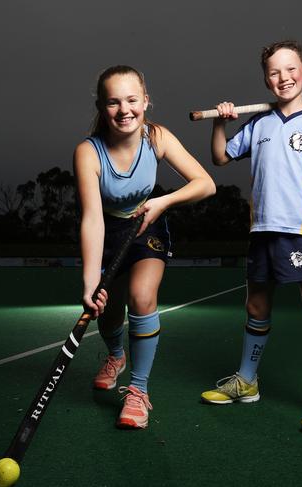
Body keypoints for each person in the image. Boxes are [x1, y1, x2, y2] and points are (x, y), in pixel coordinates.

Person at [200, 40, 302, 433]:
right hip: (261, 229)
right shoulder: (259, 124)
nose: (282, 78)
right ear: (266, 79)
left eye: (290, 70)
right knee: (256, 305)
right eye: (274, 72)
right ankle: (246, 381)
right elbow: (220, 157)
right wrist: (221, 121)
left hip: (300, 229)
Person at [74, 65, 215, 429]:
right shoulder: (88, 152)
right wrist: (91, 283)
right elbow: (92, 219)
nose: (125, 110)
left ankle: (138, 391)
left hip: (149, 223)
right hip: (109, 233)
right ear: (102, 107)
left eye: (132, 100)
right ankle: (116, 355)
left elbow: (205, 184)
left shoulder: (158, 137)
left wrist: (163, 202)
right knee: (109, 313)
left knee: (142, 297)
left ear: (145, 100)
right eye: (114, 102)